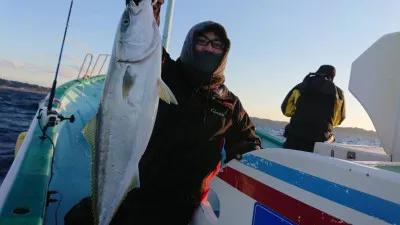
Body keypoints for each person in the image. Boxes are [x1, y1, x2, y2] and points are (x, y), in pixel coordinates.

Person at [65, 1, 261, 224]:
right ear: (190, 44)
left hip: (180, 200)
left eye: (216, 44)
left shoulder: (229, 104)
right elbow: (145, 42)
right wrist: (151, 11)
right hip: (139, 182)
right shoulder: (166, 72)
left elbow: (248, 138)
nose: (209, 48)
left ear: (224, 52)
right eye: (202, 41)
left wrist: (245, 150)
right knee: (76, 219)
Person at [280, 65, 346, 153]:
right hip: (318, 141)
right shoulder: (339, 94)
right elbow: (338, 119)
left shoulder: (301, 86)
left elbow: (286, 110)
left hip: (294, 137)